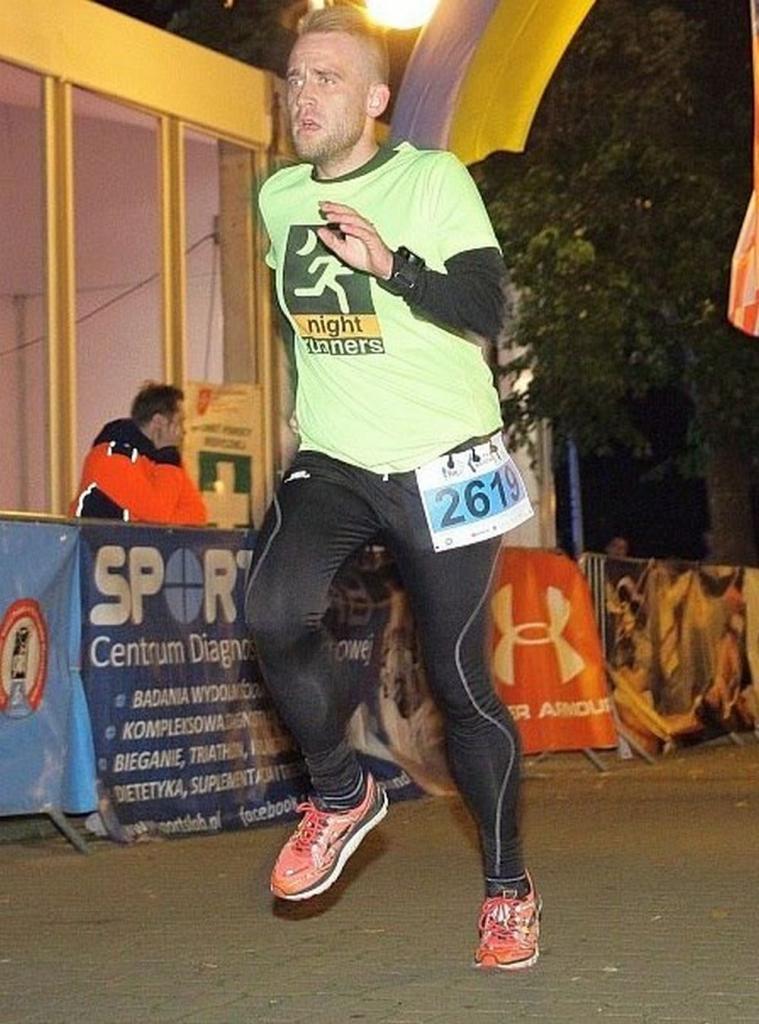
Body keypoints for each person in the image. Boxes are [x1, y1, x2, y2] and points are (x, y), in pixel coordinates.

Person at [246, 7, 539, 971]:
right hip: (335, 459)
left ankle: (507, 890)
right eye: (295, 78)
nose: (304, 95)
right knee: (270, 611)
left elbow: (483, 306)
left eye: (327, 78)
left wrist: (392, 266)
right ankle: (340, 793)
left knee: (457, 682)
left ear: (375, 99)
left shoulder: (430, 179)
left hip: (445, 459)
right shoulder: (277, 199)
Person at [70, 382, 207, 525]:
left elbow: (197, 516)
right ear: (159, 422)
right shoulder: (111, 457)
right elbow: (158, 515)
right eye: (179, 422)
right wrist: (168, 457)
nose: (183, 431)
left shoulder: (164, 461)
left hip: (131, 540)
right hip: (97, 539)